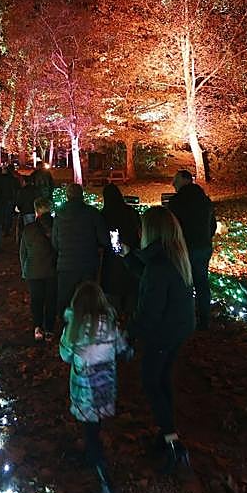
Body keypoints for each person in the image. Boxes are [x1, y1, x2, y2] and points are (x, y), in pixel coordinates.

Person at [122, 206, 195, 472]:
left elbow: (149, 310)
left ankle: (173, 442)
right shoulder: (174, 256)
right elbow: (154, 283)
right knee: (162, 380)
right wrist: (132, 261)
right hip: (179, 329)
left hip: (164, 333)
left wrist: (129, 334)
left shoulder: (159, 264)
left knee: (152, 383)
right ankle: (166, 433)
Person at [59, 280, 132, 493]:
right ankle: (91, 455)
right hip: (105, 386)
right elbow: (121, 348)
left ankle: (104, 480)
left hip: (85, 391)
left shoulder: (75, 327)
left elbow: (65, 355)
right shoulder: (110, 325)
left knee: (91, 434)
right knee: (95, 425)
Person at [167, 169, 216, 329]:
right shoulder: (204, 200)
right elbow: (213, 225)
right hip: (203, 247)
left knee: (185, 283)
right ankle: (204, 320)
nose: (173, 183)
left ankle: (185, 318)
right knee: (202, 283)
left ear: (184, 179)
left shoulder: (176, 202)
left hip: (185, 248)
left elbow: (171, 227)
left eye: (176, 179)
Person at [51, 182, 111, 313]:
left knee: (65, 300)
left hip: (66, 264)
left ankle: (66, 328)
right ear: (82, 196)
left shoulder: (59, 216)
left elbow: (55, 242)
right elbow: (103, 238)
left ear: (67, 196)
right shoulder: (92, 213)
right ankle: (87, 326)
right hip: (87, 262)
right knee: (88, 299)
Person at [100, 183, 142, 319]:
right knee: (130, 290)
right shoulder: (131, 212)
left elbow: (101, 237)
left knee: (113, 294)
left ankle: (115, 320)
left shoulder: (104, 215)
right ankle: (130, 319)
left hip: (112, 260)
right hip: (131, 255)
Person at [19, 196, 57, 341]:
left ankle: (37, 327)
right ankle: (49, 329)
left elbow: (23, 252)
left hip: (34, 270)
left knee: (37, 300)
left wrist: (25, 269)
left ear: (36, 211)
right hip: (52, 269)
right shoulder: (56, 226)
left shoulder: (29, 229)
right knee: (51, 299)